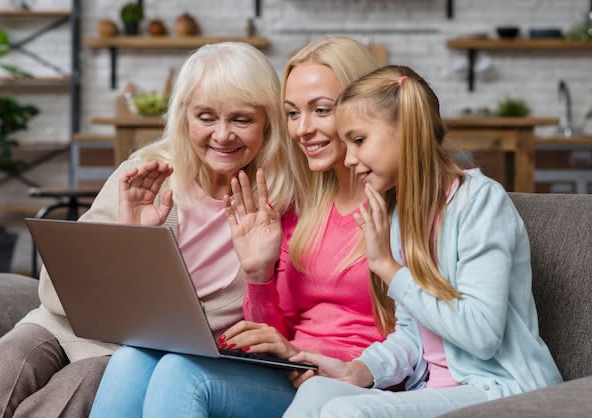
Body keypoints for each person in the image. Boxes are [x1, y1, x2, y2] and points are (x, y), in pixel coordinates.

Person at [0, 41, 294, 418]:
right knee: (0, 372)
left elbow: (266, 325)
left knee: (69, 393)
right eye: (206, 117)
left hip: (141, 356)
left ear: (269, 123)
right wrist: (129, 236)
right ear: (184, 118)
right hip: (64, 325)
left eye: (241, 120)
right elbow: (56, 286)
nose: (222, 135)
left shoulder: (280, 205)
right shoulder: (147, 172)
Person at [89, 36, 386, 417]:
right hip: (287, 369)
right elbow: (270, 334)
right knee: (131, 359)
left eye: (322, 110)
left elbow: (415, 332)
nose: (303, 129)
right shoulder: (298, 209)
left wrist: (345, 364)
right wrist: (258, 275)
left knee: (182, 372)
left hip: (343, 374)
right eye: (293, 113)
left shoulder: (404, 204)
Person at [282, 65, 563, 418]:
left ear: (405, 132)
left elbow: (481, 335)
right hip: (433, 390)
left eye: (358, 140)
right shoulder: (401, 215)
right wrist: (359, 370)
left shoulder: (480, 202)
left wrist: (388, 267)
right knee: (319, 389)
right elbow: (413, 336)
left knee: (347, 412)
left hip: (500, 390)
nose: (349, 158)